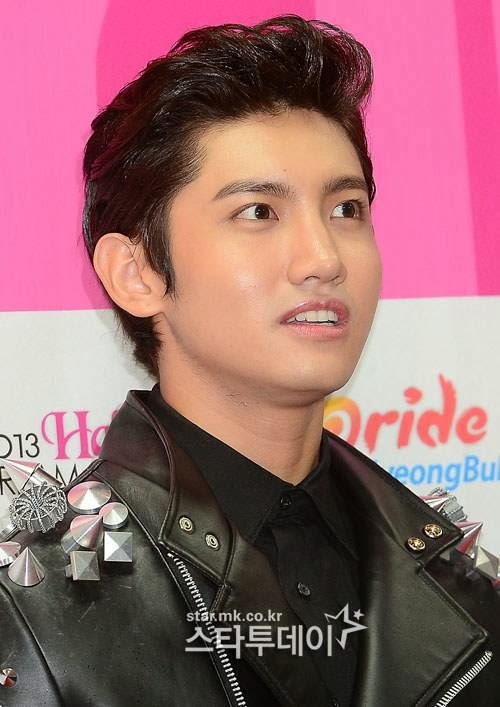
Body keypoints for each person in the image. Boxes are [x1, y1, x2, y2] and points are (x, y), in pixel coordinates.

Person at [1, 14, 499, 707]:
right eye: (259, 212)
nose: (323, 258)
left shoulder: (460, 578)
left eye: (346, 209)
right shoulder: (37, 610)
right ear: (137, 273)